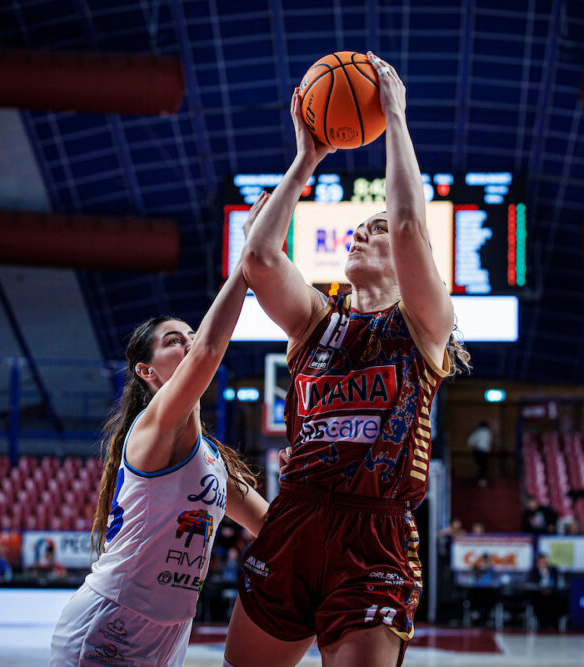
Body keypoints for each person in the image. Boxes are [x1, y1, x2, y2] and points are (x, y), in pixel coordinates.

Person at [223, 52, 470, 667]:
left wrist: (395, 118)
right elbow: (257, 257)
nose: (362, 232)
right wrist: (307, 157)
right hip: (294, 517)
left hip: (374, 535)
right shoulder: (314, 320)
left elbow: (412, 224)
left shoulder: (423, 325)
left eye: (375, 229)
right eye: (358, 230)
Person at [50, 193, 273, 666]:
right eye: (175, 341)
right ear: (146, 373)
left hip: (172, 630)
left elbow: (271, 527)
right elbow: (211, 351)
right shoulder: (150, 427)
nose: (190, 343)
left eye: (191, 335)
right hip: (111, 617)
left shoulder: (211, 459)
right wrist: (247, 264)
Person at [467, 421, 493, 487]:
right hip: (484, 451)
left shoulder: (478, 432)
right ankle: (482, 480)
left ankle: (481, 479)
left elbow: (470, 441)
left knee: (480, 465)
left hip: (478, 450)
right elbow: (489, 443)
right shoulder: (488, 432)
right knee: (483, 465)